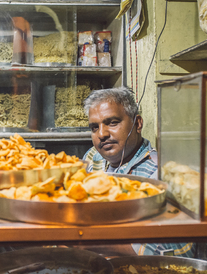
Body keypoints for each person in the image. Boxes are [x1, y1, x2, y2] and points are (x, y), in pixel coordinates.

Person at [82, 87, 195, 258]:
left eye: (112, 122)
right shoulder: (92, 158)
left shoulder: (159, 174)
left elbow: (176, 249)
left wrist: (84, 243)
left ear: (138, 124)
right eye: (94, 127)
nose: (102, 134)